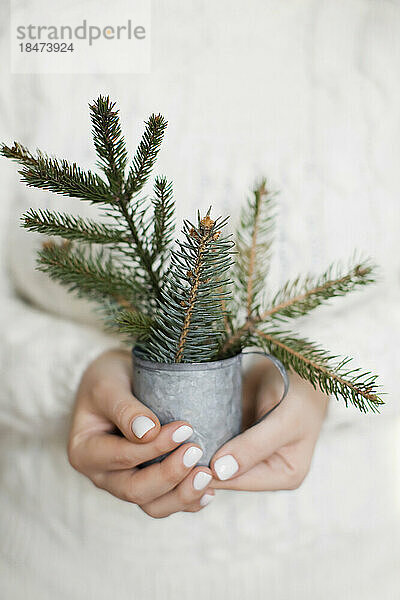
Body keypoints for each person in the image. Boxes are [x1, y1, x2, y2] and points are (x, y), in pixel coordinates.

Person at [0, 2, 399, 598]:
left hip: (354, 569)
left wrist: (315, 380)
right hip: (57, 568)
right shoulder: (34, 24)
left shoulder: (377, 26)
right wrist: (71, 376)